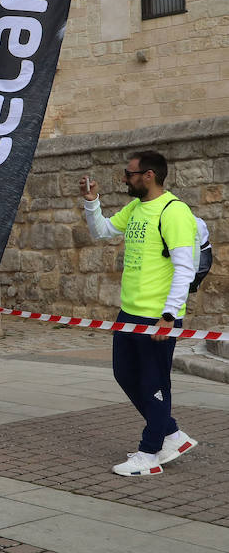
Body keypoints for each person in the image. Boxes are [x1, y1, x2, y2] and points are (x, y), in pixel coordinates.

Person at [81, 150, 199, 476]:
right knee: (125, 375)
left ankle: (149, 455)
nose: (124, 178)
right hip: (129, 312)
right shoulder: (136, 207)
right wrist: (92, 203)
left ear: (149, 175)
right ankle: (172, 434)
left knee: (154, 383)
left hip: (156, 316)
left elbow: (184, 268)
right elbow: (103, 231)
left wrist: (170, 315)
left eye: (129, 173)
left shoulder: (174, 212)